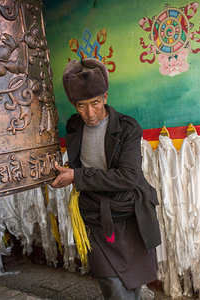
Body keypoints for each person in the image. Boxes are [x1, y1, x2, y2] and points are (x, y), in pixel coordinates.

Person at [51, 58, 161, 300]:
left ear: (106, 97)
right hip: (95, 213)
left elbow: (128, 177)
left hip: (127, 210)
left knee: (133, 283)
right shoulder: (73, 126)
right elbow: (82, 163)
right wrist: (67, 172)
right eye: (81, 106)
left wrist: (77, 176)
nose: (90, 113)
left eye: (96, 103)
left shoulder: (128, 127)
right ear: (73, 104)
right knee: (110, 283)